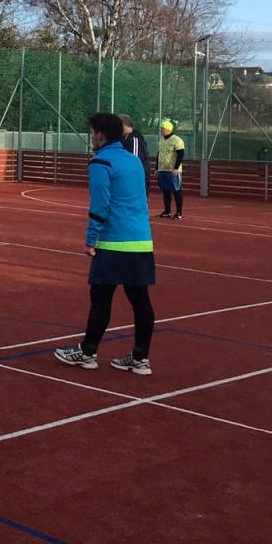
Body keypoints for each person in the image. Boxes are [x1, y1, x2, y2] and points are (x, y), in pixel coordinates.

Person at [54, 112, 157, 376]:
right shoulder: (134, 161)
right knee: (140, 301)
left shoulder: (101, 162)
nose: (91, 137)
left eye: (92, 132)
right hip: (141, 241)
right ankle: (141, 358)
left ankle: (87, 352)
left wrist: (91, 239)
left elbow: (100, 204)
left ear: (100, 135)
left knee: (100, 298)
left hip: (114, 242)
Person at [156, 119, 185, 220]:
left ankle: (179, 212)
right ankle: (167, 211)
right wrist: (157, 168)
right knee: (165, 191)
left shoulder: (177, 140)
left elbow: (181, 154)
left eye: (163, 129)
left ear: (169, 129)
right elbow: (159, 154)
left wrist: (176, 168)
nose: (161, 130)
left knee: (177, 190)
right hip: (162, 169)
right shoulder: (161, 140)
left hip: (172, 170)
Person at [119, 114, 150, 194]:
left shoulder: (134, 139)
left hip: (135, 180)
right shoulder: (123, 138)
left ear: (123, 125)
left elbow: (135, 162)